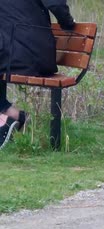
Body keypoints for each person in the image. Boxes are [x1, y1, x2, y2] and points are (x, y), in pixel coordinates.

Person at [0, 0, 76, 150]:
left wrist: (67, 23)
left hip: (30, 53)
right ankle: (10, 115)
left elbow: (56, 4)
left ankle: (8, 118)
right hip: (11, 50)